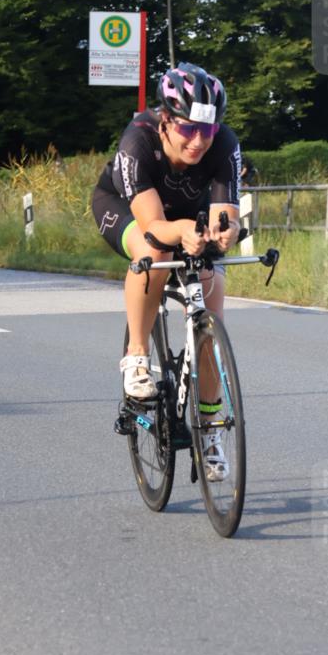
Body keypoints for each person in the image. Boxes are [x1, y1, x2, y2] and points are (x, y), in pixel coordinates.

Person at [92, 62, 242, 481]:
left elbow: (226, 213)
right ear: (165, 120)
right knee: (154, 252)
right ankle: (136, 357)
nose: (198, 141)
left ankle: (210, 428)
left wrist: (225, 232)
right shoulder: (138, 141)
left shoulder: (223, 144)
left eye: (207, 130)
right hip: (127, 210)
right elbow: (155, 225)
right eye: (188, 129)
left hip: (188, 214)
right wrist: (181, 231)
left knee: (211, 295)